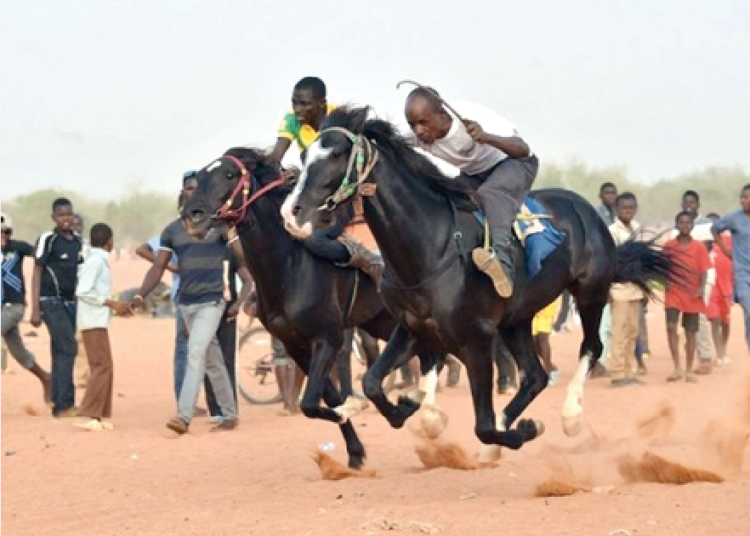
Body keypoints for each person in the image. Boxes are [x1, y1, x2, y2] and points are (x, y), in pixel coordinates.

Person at [403, 87, 537, 298]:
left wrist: (487, 137)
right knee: (442, 194)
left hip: (514, 163)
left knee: (491, 193)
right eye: (413, 125)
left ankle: (503, 265)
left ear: (442, 115)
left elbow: (523, 149)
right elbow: (389, 144)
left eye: (423, 123)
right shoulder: (417, 137)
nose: (418, 131)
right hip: (475, 174)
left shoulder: (471, 116)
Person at [131, 211, 253, 434]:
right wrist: (140, 295)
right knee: (212, 359)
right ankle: (230, 413)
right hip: (186, 303)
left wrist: (231, 235)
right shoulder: (172, 231)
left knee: (195, 352)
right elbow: (158, 266)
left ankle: (183, 416)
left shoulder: (219, 227)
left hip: (212, 301)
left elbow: (244, 261)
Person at [268, 76, 382, 285]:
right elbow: (276, 156)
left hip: (341, 195)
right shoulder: (291, 120)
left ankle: (368, 262)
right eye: (294, 102)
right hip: (313, 192)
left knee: (314, 241)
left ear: (322, 104)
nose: (297, 109)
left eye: (304, 103)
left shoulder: (339, 119)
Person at [74, 224, 132, 430]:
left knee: (105, 365)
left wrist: (115, 306)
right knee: (101, 365)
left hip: (98, 320)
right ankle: (90, 413)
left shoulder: (99, 261)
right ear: (109, 242)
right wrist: (111, 303)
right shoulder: (96, 262)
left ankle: (99, 415)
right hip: (92, 321)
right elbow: (83, 291)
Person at [31, 198, 83, 417]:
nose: (66, 219)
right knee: (68, 347)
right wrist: (35, 308)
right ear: (54, 217)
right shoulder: (48, 239)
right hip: (50, 301)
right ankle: (65, 404)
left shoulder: (78, 241)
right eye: (61, 215)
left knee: (60, 350)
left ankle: (57, 400)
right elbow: (37, 272)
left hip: (71, 303)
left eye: (69, 214)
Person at [1, 213, 51, 401]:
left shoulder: (18, 248)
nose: (2, 236)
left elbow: (40, 256)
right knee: (19, 353)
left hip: (14, 306)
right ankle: (46, 378)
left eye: (6, 232)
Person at [663, 212, 711, 382]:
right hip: (673, 292)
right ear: (676, 225)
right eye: (681, 222)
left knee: (690, 331)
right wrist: (665, 281)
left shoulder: (699, 247)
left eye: (688, 222)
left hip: (692, 293)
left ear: (692, 225)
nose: (685, 225)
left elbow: (704, 270)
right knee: (670, 326)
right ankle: (676, 366)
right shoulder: (669, 246)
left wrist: (701, 288)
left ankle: (689, 369)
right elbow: (663, 267)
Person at [607, 193, 643, 387]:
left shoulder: (638, 229)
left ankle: (630, 370)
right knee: (619, 331)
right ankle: (617, 372)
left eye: (631, 208)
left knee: (632, 330)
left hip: (636, 287)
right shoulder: (612, 232)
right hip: (619, 287)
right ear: (617, 210)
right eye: (624, 208)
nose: (628, 211)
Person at [711, 184, 750, 351]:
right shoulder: (734, 217)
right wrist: (727, 251)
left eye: (746, 197)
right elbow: (715, 229)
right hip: (742, 274)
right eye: (741, 197)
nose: (743, 201)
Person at [680, 190, 716, 372]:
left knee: (700, 315)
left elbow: (705, 250)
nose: (688, 206)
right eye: (686, 203)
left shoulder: (705, 226)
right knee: (687, 317)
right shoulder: (680, 224)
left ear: (698, 205)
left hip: (703, 276)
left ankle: (705, 356)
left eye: (692, 203)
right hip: (684, 279)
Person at [706, 213, 732, 366]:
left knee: (725, 322)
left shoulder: (729, 241)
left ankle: (724, 348)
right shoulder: (705, 243)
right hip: (712, 288)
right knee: (714, 319)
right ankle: (719, 354)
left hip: (726, 288)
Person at [71, 213, 90, 389]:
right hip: (66, 297)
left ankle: (83, 376)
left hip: (83, 299)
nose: (75, 228)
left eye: (79, 225)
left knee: (83, 339)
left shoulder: (87, 249)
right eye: (73, 225)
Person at [533, 298, 560, 386]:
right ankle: (551, 367)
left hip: (546, 297)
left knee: (542, 337)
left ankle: (547, 371)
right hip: (530, 299)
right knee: (532, 340)